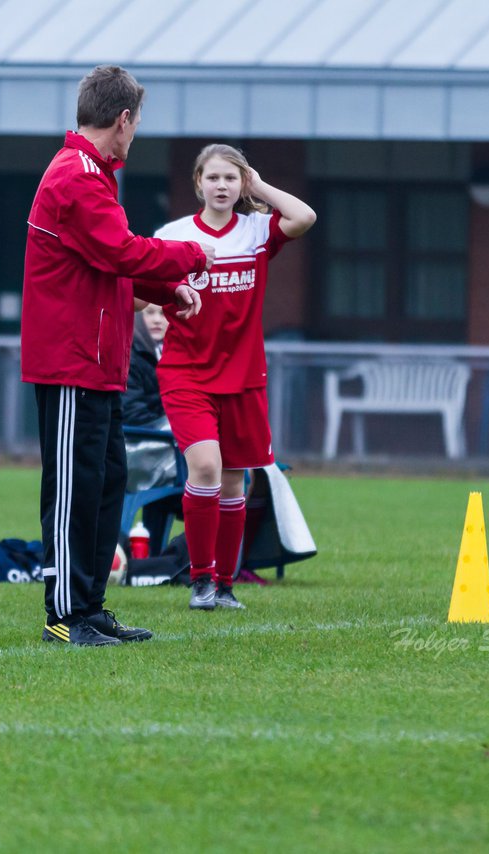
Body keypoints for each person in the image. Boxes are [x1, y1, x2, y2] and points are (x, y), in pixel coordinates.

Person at [21, 65, 214, 647]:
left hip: (98, 361)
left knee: (107, 480)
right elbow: (124, 250)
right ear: (123, 119)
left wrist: (166, 290)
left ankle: (91, 606)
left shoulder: (92, 174)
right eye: (137, 123)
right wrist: (193, 257)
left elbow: (111, 264)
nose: (136, 134)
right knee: (72, 486)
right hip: (70, 361)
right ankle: (65, 613)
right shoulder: (75, 176)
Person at [153, 144, 316, 611]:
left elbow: (303, 217)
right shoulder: (175, 234)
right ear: (198, 183)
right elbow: (142, 287)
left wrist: (259, 187)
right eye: (213, 178)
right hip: (186, 373)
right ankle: (200, 582)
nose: (221, 186)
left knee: (233, 483)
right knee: (204, 467)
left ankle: (224, 586)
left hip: (244, 376)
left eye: (231, 178)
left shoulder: (256, 230)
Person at [123, 304, 168, 428]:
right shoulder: (128, 355)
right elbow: (132, 412)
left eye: (163, 314)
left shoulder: (171, 351)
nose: (157, 320)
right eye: (150, 312)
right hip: (140, 434)